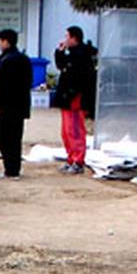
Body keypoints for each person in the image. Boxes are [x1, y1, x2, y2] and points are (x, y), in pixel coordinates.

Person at [54, 26, 98, 175]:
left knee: (75, 130)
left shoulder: (82, 55)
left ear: (74, 38)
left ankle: (78, 160)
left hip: (75, 98)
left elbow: (83, 79)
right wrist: (59, 53)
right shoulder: (71, 54)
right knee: (66, 131)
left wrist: (73, 93)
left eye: (67, 37)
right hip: (67, 98)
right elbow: (61, 66)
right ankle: (71, 157)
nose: (65, 39)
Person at [0, 29, 32, 179]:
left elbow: (1, 87)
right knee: (15, 138)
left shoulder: (5, 62)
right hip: (20, 106)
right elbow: (28, 82)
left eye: (1, 41)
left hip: (6, 107)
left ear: (6, 42)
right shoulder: (25, 60)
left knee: (5, 139)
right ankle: (14, 169)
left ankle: (10, 169)